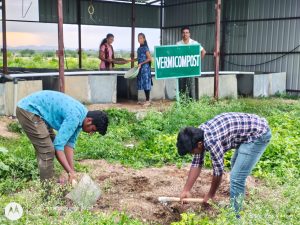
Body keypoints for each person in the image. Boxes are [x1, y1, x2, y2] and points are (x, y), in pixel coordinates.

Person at [176, 112, 271, 215]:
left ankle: (235, 216)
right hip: (248, 132)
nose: (191, 154)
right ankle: (237, 201)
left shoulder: (212, 141)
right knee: (235, 166)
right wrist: (186, 190)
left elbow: (218, 171)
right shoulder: (197, 136)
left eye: (191, 152)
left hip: (258, 135)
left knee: (236, 177)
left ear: (199, 145)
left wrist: (211, 195)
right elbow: (196, 163)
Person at [16, 90, 109, 184]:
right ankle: (48, 192)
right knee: (47, 150)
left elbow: (69, 145)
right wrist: (69, 171)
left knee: (50, 145)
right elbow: (58, 147)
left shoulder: (82, 116)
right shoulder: (75, 117)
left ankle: (50, 181)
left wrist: (72, 172)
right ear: (89, 121)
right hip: (29, 109)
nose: (91, 133)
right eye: (93, 130)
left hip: (39, 113)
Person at [177, 26, 206, 98]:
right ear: (181, 34)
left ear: (189, 34)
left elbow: (203, 52)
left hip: (191, 69)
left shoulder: (194, 43)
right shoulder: (178, 44)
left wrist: (197, 63)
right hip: (182, 69)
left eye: (187, 33)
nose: (185, 34)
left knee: (191, 87)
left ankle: (192, 102)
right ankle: (182, 102)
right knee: (181, 86)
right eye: (183, 33)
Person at [137, 33, 152, 106]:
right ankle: (147, 100)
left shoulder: (146, 48)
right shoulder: (139, 48)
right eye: (138, 38)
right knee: (143, 84)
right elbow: (139, 58)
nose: (139, 39)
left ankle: (148, 101)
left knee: (146, 84)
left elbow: (149, 59)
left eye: (141, 38)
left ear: (144, 39)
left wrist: (141, 63)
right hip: (141, 68)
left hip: (145, 68)